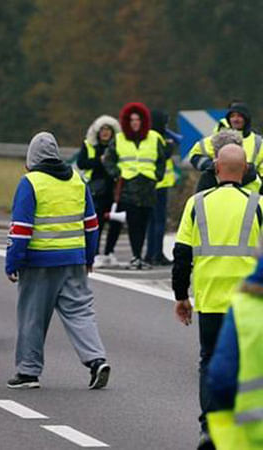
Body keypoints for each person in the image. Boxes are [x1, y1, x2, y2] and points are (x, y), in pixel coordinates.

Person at [172, 144, 263, 449]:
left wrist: (181, 296)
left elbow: (182, 254)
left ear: (216, 167)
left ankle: (209, 427)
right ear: (246, 168)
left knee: (210, 361)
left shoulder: (197, 203)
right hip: (251, 304)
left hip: (210, 299)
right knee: (253, 366)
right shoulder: (259, 204)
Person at [5, 131, 110, 390]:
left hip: (39, 262)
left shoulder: (30, 182)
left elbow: (21, 228)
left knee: (33, 316)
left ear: (32, 158)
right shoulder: (77, 179)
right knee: (80, 313)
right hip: (74, 260)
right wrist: (89, 257)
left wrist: (13, 262)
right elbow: (92, 224)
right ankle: (97, 361)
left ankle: (28, 372)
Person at [206, 256, 263, 450]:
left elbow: (222, 380)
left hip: (253, 436)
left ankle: (205, 429)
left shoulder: (246, 308)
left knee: (206, 359)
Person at [103, 102, 166, 270]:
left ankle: (138, 256)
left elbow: (162, 159)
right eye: (131, 120)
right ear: (126, 121)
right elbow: (108, 159)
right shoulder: (119, 138)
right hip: (127, 186)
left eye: (137, 120)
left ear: (143, 120)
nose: (135, 123)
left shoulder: (154, 138)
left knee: (144, 222)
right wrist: (117, 173)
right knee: (133, 222)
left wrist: (157, 176)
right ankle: (136, 256)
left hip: (147, 186)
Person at [76, 115, 121, 268]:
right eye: (102, 129)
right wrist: (100, 161)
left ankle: (109, 253)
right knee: (97, 223)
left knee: (115, 223)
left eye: (108, 129)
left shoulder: (118, 147)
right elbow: (81, 163)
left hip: (115, 190)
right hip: (96, 190)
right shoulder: (89, 145)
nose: (105, 132)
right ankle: (94, 253)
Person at [189, 102, 263, 193]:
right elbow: (195, 154)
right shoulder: (220, 138)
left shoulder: (258, 142)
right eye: (232, 116)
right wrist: (210, 165)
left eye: (239, 116)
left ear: (246, 119)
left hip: (250, 194)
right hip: (218, 192)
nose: (235, 119)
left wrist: (251, 173)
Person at [144, 109, 177, 266]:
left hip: (150, 183)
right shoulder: (159, 137)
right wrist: (169, 147)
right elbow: (163, 155)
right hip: (161, 183)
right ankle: (157, 254)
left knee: (151, 221)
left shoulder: (147, 136)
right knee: (159, 221)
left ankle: (150, 253)